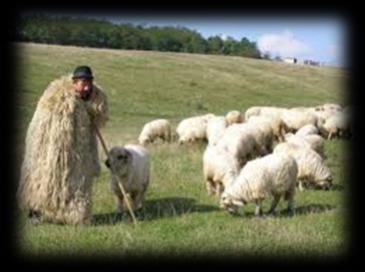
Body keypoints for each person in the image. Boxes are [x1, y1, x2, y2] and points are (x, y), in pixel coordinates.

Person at [17, 66, 108, 225]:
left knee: (78, 181)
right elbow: (46, 121)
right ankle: (35, 212)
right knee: (43, 177)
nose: (86, 87)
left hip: (81, 149)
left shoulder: (96, 96)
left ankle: (76, 217)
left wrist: (93, 109)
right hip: (50, 146)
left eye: (89, 83)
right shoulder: (57, 96)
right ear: (74, 82)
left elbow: (100, 116)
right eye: (83, 83)